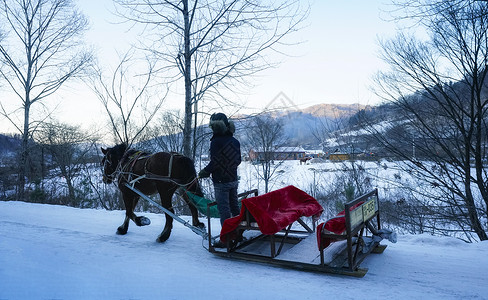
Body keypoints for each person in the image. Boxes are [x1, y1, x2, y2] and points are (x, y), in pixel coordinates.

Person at [198, 113, 241, 229]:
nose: (211, 128)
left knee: (224, 211)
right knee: (235, 208)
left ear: (216, 126)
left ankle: (227, 239)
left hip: (221, 183)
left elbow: (215, 163)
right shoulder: (235, 141)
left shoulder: (216, 142)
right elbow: (238, 160)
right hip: (233, 180)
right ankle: (239, 233)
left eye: (212, 126)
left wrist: (205, 171)